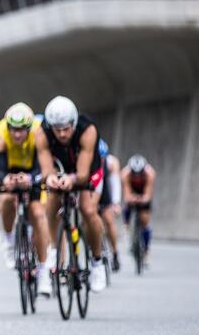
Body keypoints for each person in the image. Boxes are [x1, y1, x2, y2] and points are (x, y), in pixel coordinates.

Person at [35, 96, 107, 292]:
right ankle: (53, 250)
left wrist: (73, 180)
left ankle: (97, 262)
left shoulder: (87, 130)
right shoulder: (41, 132)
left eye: (66, 128)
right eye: (57, 129)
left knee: (88, 209)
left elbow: (83, 175)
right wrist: (50, 178)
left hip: (87, 169)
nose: (62, 134)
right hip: (61, 166)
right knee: (53, 199)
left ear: (74, 123)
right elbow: (46, 166)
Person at [0, 102, 52, 296]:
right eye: (13, 130)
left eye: (21, 130)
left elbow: (43, 167)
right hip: (12, 168)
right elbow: (0, 169)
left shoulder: (38, 132)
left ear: (28, 128)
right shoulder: (0, 134)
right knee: (8, 199)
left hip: (33, 169)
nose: (17, 135)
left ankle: (43, 272)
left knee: (38, 214)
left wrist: (31, 179)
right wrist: (5, 179)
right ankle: (10, 242)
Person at [121, 154, 155, 264]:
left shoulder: (150, 173)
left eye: (139, 174)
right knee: (127, 206)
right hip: (132, 190)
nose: (136, 176)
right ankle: (126, 227)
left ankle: (146, 249)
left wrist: (143, 199)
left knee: (144, 219)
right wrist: (131, 198)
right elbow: (126, 193)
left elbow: (148, 193)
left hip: (143, 191)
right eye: (134, 174)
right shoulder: (125, 173)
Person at [97, 140, 123, 272]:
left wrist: (116, 203)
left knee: (109, 221)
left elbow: (115, 183)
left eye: (103, 158)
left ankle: (115, 252)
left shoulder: (112, 162)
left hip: (104, 193)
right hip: (91, 190)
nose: (101, 161)